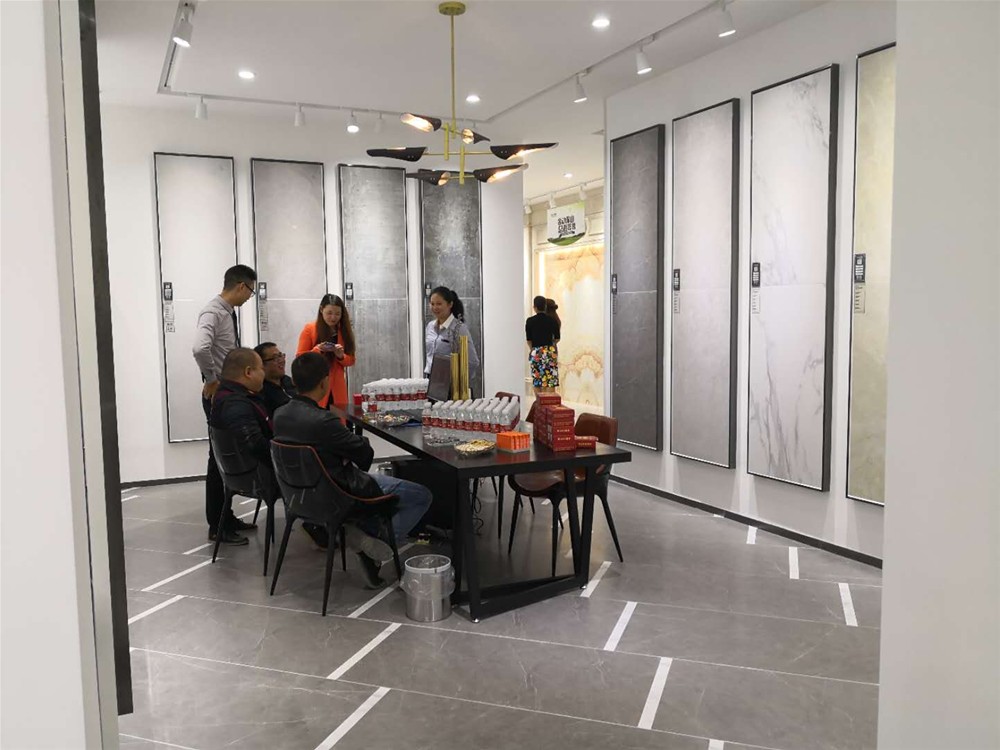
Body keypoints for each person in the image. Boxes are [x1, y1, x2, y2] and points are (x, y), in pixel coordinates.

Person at [274, 353, 433, 588]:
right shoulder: (323, 422)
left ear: (294, 381)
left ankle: (361, 533)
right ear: (325, 382)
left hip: (300, 496)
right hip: (338, 493)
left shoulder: (280, 415)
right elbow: (364, 455)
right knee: (421, 495)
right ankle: (373, 543)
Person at [192, 264, 258, 545]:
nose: (249, 297)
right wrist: (211, 379)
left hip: (229, 394)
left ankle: (225, 517)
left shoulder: (225, 312)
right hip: (219, 395)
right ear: (241, 286)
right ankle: (217, 525)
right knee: (219, 459)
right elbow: (199, 348)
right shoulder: (213, 312)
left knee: (226, 457)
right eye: (250, 291)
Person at [206, 348, 277, 547]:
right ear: (248, 372)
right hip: (253, 477)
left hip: (241, 475)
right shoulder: (235, 404)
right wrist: (285, 460)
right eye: (261, 368)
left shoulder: (229, 396)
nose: (264, 373)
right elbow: (255, 444)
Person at [296, 294, 356, 408]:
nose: (333, 318)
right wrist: (318, 350)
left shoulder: (344, 331)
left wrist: (341, 356)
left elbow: (351, 360)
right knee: (317, 414)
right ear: (321, 309)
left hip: (337, 385)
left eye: (337, 314)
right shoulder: (310, 329)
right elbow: (300, 358)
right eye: (329, 313)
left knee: (338, 415)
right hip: (316, 384)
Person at [424, 286, 480, 389]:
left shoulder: (459, 328)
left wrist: (458, 383)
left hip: (450, 384)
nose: (435, 307)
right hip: (430, 380)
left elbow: (472, 361)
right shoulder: (430, 326)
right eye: (432, 304)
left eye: (439, 304)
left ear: (450, 304)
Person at [526, 295, 561, 394]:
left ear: (535, 307)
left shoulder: (530, 321)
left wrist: (532, 349)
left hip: (536, 352)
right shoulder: (552, 320)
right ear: (545, 307)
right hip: (549, 351)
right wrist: (551, 345)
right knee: (550, 381)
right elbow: (557, 338)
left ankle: (539, 402)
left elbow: (529, 339)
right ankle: (549, 402)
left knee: (537, 381)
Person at [253, 342, 297, 415]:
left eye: (281, 355)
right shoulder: (261, 393)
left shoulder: (287, 380)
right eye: (275, 358)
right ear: (262, 364)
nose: (281, 360)